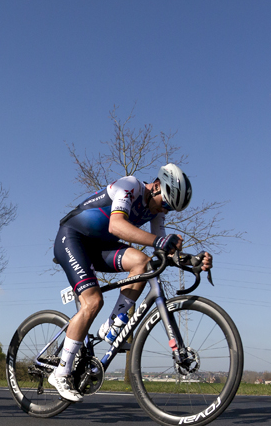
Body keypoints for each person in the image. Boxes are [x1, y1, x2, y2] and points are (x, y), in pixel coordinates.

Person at [48, 163, 208, 402]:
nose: (165, 210)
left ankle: (115, 321)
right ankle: (60, 372)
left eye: (170, 209)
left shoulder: (158, 211)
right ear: (156, 186)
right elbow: (117, 226)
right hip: (72, 237)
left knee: (142, 262)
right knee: (92, 302)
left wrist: (191, 259)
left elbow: (163, 250)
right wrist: (160, 242)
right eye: (165, 203)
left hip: (99, 248)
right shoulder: (129, 186)